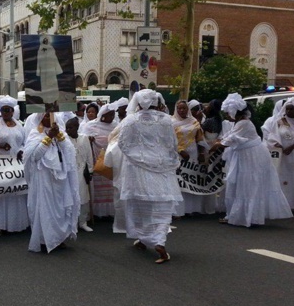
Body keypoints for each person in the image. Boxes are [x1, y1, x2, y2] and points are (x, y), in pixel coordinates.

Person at [118, 89, 182, 263]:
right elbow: (173, 144)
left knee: (139, 205)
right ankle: (157, 240)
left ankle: (146, 237)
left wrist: (139, 156)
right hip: (162, 169)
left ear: (138, 103)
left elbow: (122, 143)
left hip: (137, 170)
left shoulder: (131, 120)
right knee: (163, 205)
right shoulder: (166, 121)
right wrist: (161, 158)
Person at [209, 93, 292, 227]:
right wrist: (218, 142)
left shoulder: (244, 123)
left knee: (248, 184)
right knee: (240, 185)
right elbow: (228, 136)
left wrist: (215, 146)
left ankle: (247, 216)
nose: (226, 115)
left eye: (228, 112)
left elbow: (229, 140)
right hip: (245, 155)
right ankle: (238, 215)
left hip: (251, 156)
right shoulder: (239, 123)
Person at [24, 113, 79, 253]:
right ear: (41, 118)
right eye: (46, 116)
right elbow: (34, 156)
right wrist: (48, 138)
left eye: (51, 116)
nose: (48, 119)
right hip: (43, 178)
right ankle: (44, 239)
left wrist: (59, 136)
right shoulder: (35, 134)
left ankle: (59, 238)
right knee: (44, 207)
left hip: (60, 177)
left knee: (60, 207)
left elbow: (70, 152)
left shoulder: (61, 133)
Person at [0, 97, 30, 235]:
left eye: (9, 110)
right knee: (2, 193)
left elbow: (26, 143)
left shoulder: (20, 125)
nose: (6, 112)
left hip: (16, 165)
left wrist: (22, 151)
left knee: (15, 193)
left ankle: (16, 224)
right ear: (0, 111)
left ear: (13, 110)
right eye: (4, 110)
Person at [266, 97, 294, 211]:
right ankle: (284, 204)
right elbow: (271, 137)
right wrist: (280, 146)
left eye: (292, 109)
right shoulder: (280, 121)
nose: (288, 111)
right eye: (287, 109)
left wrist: (293, 146)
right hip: (283, 155)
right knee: (283, 177)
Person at [81, 103, 118, 218]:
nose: (111, 117)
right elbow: (82, 141)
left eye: (113, 114)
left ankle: (110, 212)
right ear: (102, 115)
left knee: (111, 186)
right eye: (109, 115)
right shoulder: (90, 126)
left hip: (111, 161)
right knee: (97, 188)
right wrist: (89, 140)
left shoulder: (116, 126)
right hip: (96, 160)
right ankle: (97, 213)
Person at [172, 99, 208, 216]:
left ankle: (191, 209)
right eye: (179, 108)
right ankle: (180, 210)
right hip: (178, 155)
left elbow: (200, 140)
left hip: (192, 155)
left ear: (188, 110)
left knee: (191, 180)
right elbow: (170, 141)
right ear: (176, 110)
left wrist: (202, 154)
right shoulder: (171, 122)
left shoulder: (194, 122)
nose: (181, 110)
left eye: (184, 108)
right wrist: (180, 151)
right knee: (179, 182)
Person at [66, 117, 94, 232]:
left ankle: (83, 222)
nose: (68, 130)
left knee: (83, 197)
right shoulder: (65, 140)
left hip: (82, 172)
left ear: (77, 128)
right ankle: (71, 223)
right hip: (69, 173)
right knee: (70, 198)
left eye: (70, 127)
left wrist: (90, 170)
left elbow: (89, 156)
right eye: (66, 128)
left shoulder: (84, 138)